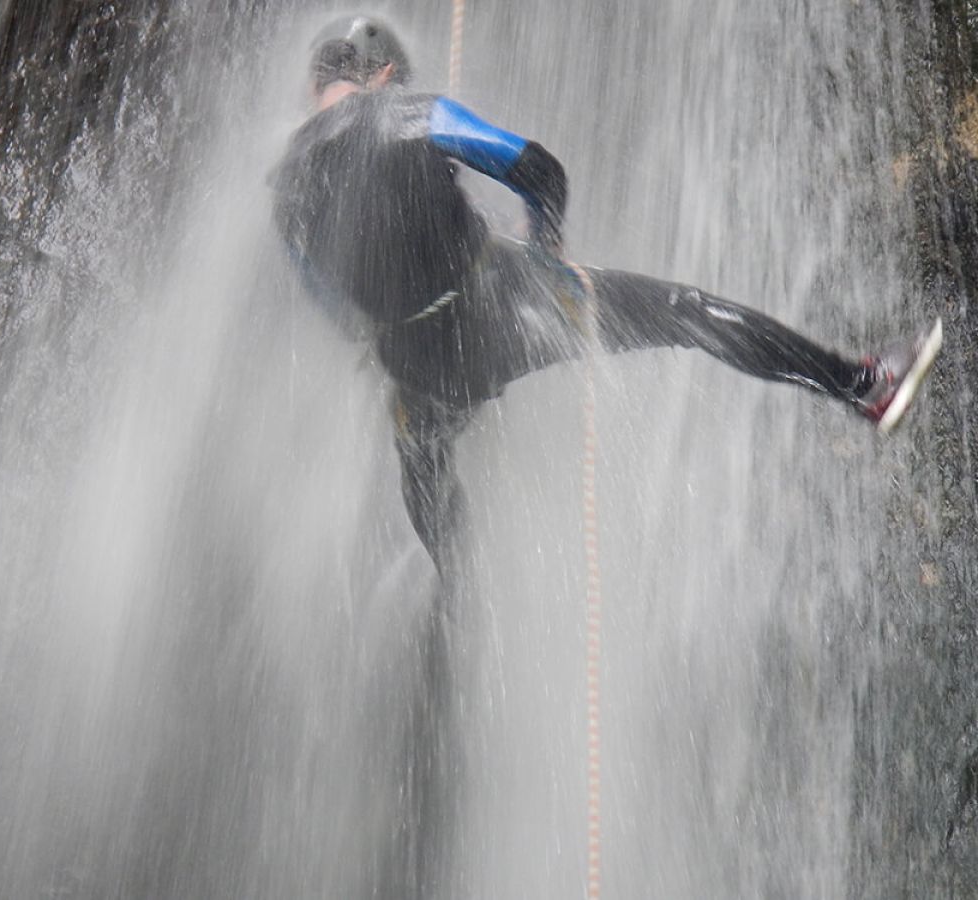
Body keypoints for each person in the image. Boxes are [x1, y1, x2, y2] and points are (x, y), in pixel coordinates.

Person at [269, 14, 943, 575]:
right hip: (505, 312)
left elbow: (336, 310)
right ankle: (863, 386)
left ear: (315, 86)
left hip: (419, 366)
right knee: (683, 314)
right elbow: (538, 169)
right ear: (384, 73)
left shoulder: (285, 190)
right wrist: (543, 243)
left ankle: (459, 602)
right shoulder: (412, 113)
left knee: (424, 473)